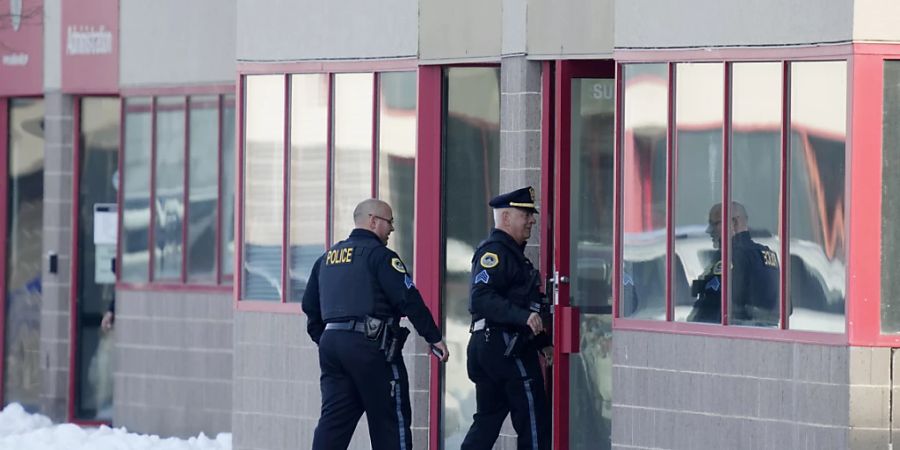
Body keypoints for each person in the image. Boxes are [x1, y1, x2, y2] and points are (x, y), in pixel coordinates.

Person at [302, 198, 449, 450]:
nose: (392, 229)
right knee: (391, 422)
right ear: (373, 221)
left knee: (333, 424)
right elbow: (408, 298)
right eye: (389, 222)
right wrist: (433, 337)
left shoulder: (327, 258)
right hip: (372, 348)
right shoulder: (381, 256)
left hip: (333, 348)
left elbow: (310, 308)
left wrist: (332, 340)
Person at [461, 186, 552, 450]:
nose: (532, 220)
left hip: (490, 345)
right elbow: (480, 298)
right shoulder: (496, 252)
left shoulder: (511, 254)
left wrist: (542, 342)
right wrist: (524, 317)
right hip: (504, 346)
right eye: (526, 215)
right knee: (533, 419)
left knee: (487, 420)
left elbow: (518, 302)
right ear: (506, 218)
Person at [687, 202, 780, 325]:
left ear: (734, 223)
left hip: (735, 335)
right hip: (767, 336)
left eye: (714, 224)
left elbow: (710, 306)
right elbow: (785, 308)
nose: (709, 230)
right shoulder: (768, 255)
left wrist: (691, 325)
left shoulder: (730, 255)